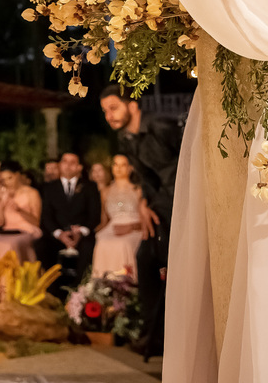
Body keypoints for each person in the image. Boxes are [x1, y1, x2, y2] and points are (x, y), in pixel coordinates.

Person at [100, 85, 181, 358]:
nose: (109, 116)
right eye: (105, 111)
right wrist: (145, 203)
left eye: (113, 108)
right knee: (145, 260)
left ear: (132, 105)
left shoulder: (160, 125)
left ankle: (172, 338)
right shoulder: (127, 139)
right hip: (159, 209)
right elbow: (147, 178)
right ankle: (154, 335)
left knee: (175, 270)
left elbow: (188, 160)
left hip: (182, 205)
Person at [38, 152, 101, 285]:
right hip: (58, 234)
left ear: (79, 167)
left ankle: (79, 290)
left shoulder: (89, 187)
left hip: (82, 234)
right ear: (60, 165)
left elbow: (94, 214)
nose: (68, 166)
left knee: (89, 248)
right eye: (65, 162)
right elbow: (46, 215)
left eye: (72, 163)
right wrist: (59, 234)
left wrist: (81, 231)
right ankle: (52, 290)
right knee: (41, 245)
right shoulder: (49, 188)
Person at [92, 154, 142, 279]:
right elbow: (104, 220)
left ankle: (126, 284)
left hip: (134, 227)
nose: (119, 168)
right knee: (102, 241)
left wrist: (130, 227)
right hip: (112, 227)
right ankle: (103, 284)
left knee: (123, 244)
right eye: (115, 164)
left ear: (130, 168)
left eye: (123, 165)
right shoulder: (105, 191)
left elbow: (144, 219)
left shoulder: (138, 190)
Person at [0, 160, 42, 262]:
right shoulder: (2, 193)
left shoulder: (32, 193)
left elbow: (36, 222)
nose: (7, 182)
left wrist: (20, 210)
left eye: (10, 178)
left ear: (17, 175)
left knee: (12, 244)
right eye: (4, 179)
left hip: (27, 231)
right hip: (7, 231)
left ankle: (16, 276)